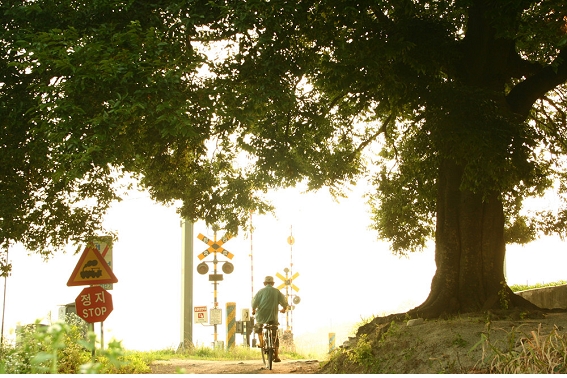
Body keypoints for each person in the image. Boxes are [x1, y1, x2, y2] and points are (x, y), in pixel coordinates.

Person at [252, 275, 288, 362]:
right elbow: (284, 301)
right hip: (273, 316)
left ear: (264, 283)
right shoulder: (276, 292)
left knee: (258, 327)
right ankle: (276, 356)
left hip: (261, 316)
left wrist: (253, 310)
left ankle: (261, 342)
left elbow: (254, 303)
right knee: (274, 333)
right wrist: (284, 309)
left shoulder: (260, 292)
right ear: (272, 283)